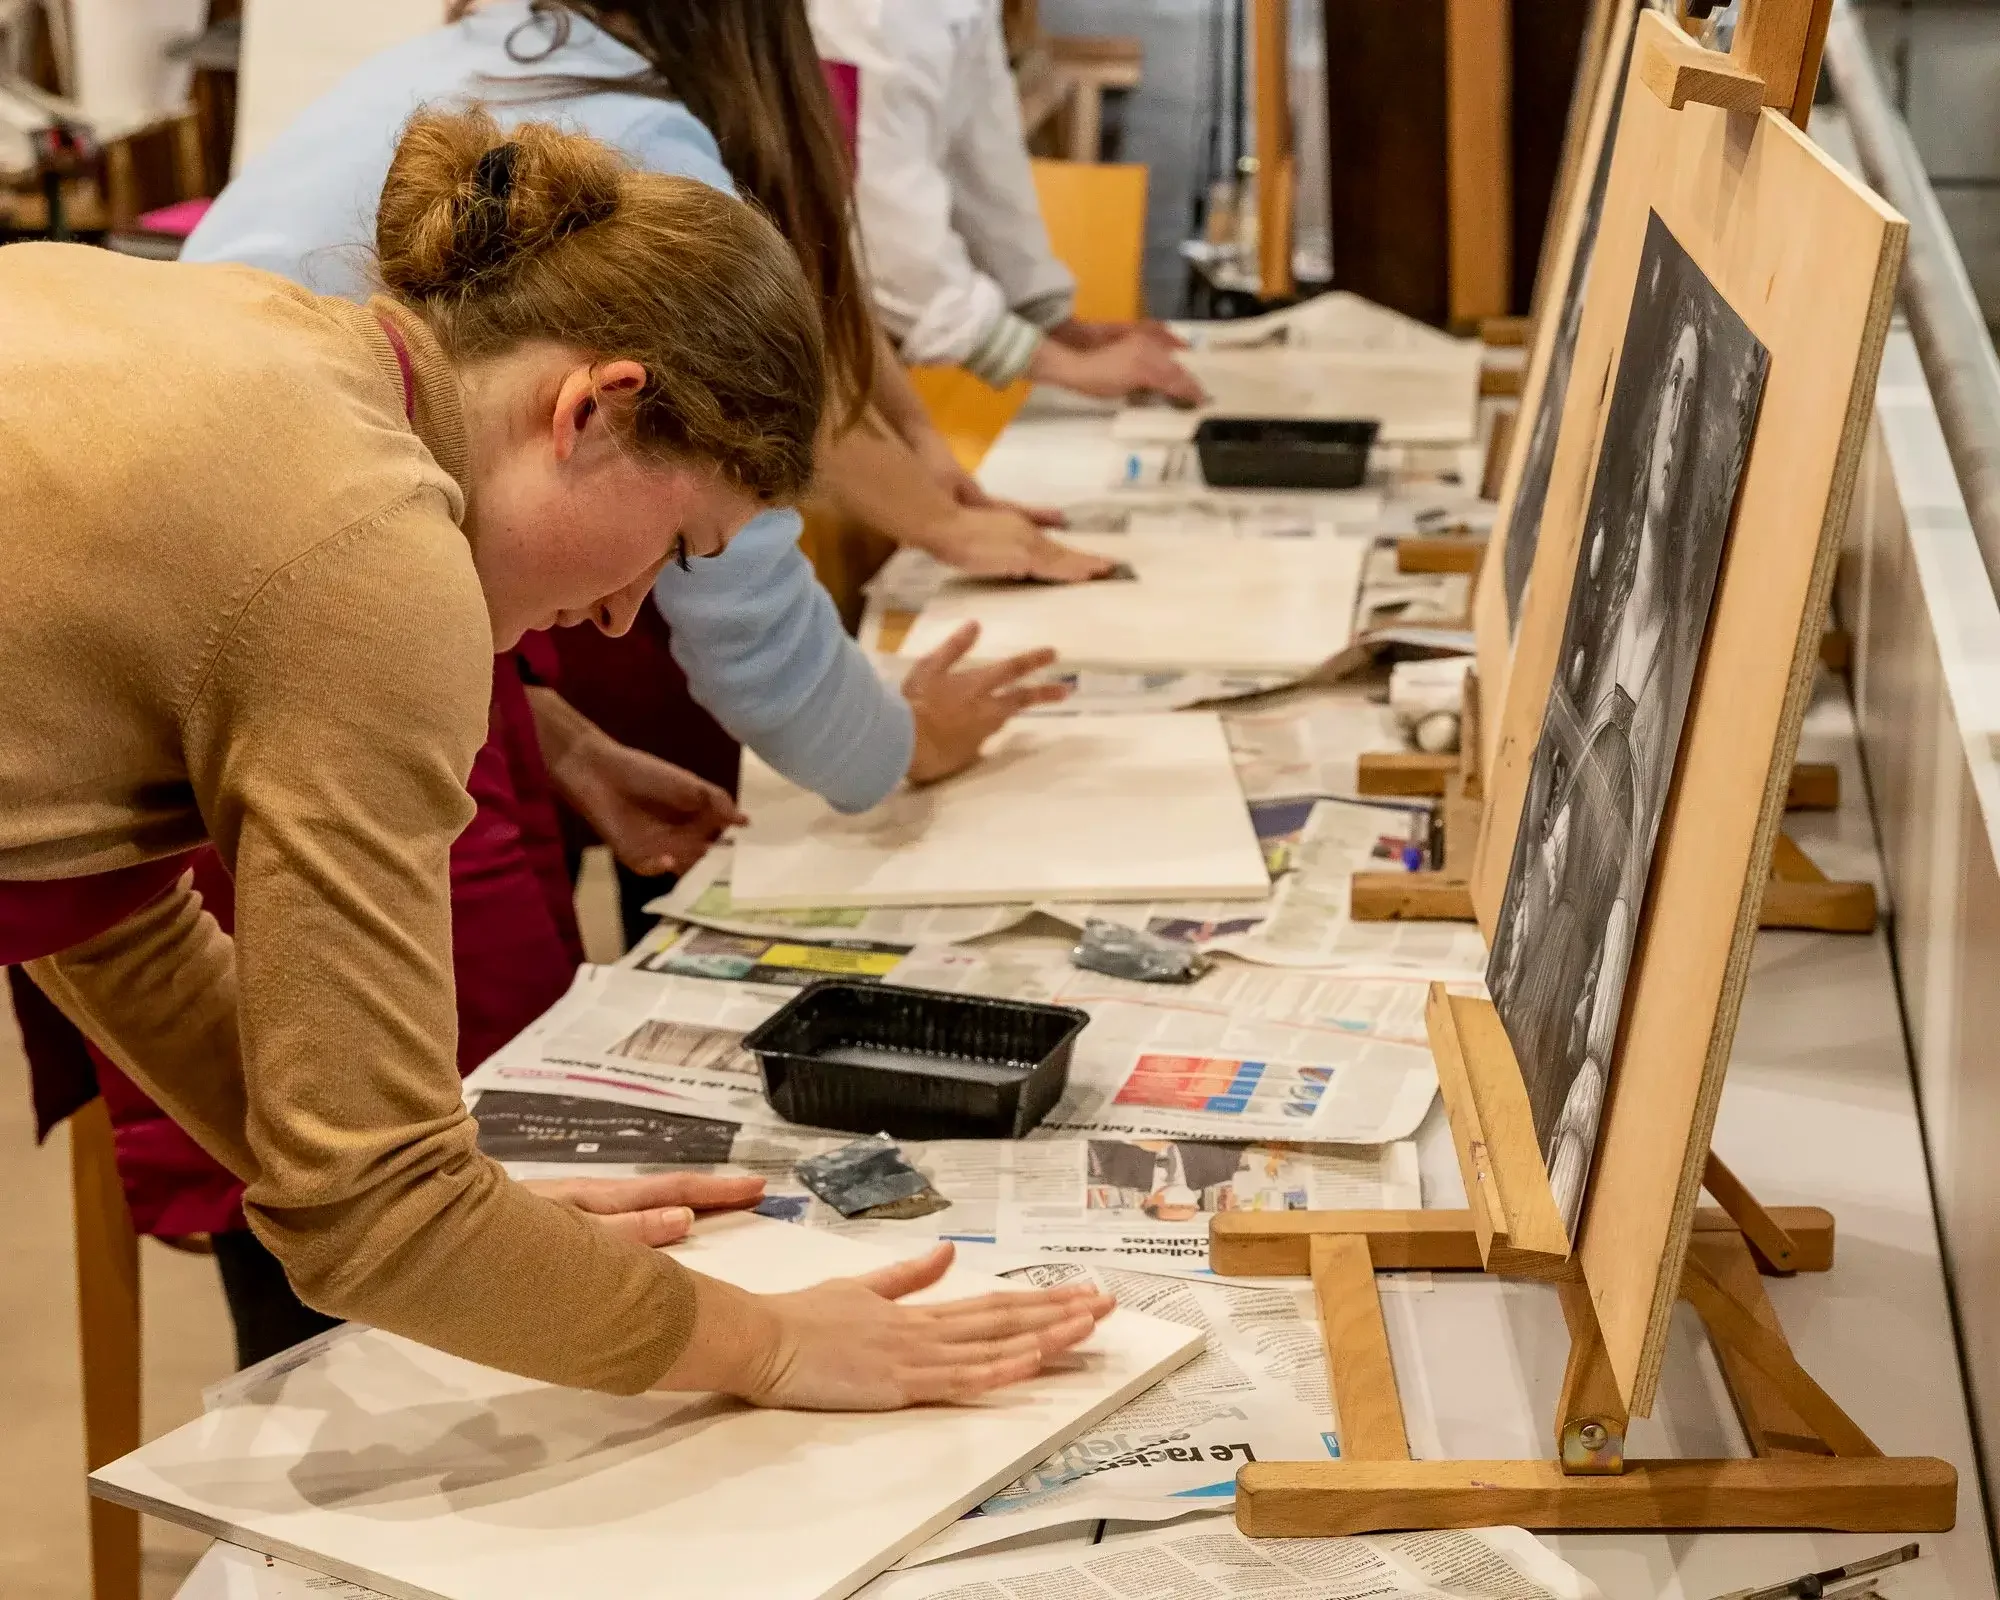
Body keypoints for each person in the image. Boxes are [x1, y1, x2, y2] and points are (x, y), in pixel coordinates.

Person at [4, 109, 1113, 1399]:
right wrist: (770, 1340)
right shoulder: (370, 555)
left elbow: (108, 911)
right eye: (680, 544)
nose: (624, 611)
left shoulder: (271, 340)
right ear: (595, 408)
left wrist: (478, 1225)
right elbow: (371, 1219)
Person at [183, 0, 1107, 946]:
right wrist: (899, 742)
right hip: (270, 643)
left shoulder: (487, 62)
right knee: (479, 1010)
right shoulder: (633, 138)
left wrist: (556, 738)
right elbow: (741, 589)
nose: (626, 611)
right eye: (673, 551)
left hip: (260, 618)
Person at [806, 0, 1201, 404]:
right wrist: (1063, 367)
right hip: (795, 330)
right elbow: (886, 242)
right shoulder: (872, 13)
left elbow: (982, 152)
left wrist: (1050, 319)